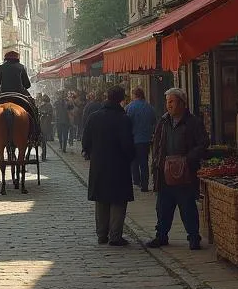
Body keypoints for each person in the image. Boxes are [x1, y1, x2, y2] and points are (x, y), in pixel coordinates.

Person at [146, 88, 207, 250]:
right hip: (165, 172)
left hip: (184, 173)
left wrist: (187, 159)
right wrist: (156, 164)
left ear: (182, 103)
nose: (169, 105)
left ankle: (194, 237)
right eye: (167, 102)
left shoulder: (193, 122)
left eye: (172, 101)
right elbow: (157, 144)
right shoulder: (164, 121)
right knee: (163, 207)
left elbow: (202, 144)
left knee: (187, 206)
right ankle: (161, 235)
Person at [82, 85, 135, 246]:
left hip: (99, 165)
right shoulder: (123, 119)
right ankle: (115, 235)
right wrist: (130, 157)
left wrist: (93, 154)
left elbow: (85, 141)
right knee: (118, 201)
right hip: (119, 165)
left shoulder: (94, 117)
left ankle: (101, 234)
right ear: (121, 99)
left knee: (101, 200)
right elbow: (127, 144)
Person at [125, 86, 157, 193]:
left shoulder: (130, 107)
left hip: (133, 138)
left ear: (134, 95)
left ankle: (136, 180)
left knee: (134, 161)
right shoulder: (149, 107)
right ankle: (145, 184)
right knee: (144, 162)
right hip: (145, 139)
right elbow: (154, 121)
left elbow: (126, 123)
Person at [37, 95, 54, 162]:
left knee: (43, 142)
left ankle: (43, 156)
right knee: (43, 142)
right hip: (44, 127)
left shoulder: (44, 106)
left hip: (42, 126)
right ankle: (43, 156)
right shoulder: (48, 106)